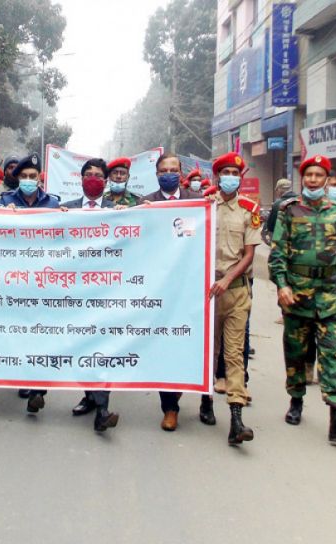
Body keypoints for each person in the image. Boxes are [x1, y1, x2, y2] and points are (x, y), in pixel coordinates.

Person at [268, 154, 336, 443]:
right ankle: (296, 400)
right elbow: (277, 254)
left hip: (329, 294)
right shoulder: (289, 210)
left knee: (331, 353)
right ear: (302, 178)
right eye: (309, 175)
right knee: (296, 350)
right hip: (297, 293)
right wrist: (281, 285)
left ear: (326, 180)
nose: (313, 180)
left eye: (319, 176)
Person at [143, 153, 202, 431]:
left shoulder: (198, 202)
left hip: (190, 285)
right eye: (163, 170)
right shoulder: (147, 203)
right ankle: (170, 407)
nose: (168, 173)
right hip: (158, 287)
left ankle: (193, 392)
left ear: (181, 172)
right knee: (164, 343)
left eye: (173, 169)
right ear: (156, 174)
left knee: (189, 341)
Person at [0, 153, 60, 413]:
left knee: (42, 332)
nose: (28, 180)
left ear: (40, 178)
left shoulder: (54, 203)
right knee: (22, 331)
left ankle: (37, 388)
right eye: (23, 176)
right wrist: (3, 216)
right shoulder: (6, 201)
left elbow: (66, 236)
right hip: (17, 279)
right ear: (17, 178)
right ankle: (27, 379)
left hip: (46, 279)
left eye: (33, 177)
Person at [205, 152, 260, 445]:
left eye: (234, 173)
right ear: (217, 176)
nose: (230, 177)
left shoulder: (249, 209)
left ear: (240, 177)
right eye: (225, 172)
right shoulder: (204, 205)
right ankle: (206, 402)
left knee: (234, 354)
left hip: (236, 291)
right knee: (209, 353)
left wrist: (227, 279)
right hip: (208, 293)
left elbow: (249, 254)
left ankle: (236, 418)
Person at [63, 158, 119, 432]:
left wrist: (140, 212)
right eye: (89, 174)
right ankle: (89, 397)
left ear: (106, 181)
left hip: (105, 289)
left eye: (99, 175)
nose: (94, 178)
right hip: (73, 290)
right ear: (81, 179)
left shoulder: (118, 210)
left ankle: (103, 409)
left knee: (102, 348)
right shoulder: (66, 209)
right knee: (81, 345)